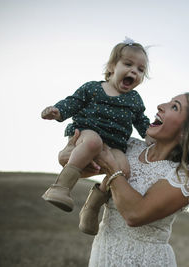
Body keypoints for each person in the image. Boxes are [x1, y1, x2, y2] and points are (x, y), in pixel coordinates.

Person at [59, 92, 189, 266]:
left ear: (186, 132)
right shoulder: (129, 146)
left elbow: (135, 214)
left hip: (145, 260)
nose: (161, 105)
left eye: (174, 106)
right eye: (168, 101)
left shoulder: (185, 176)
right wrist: (67, 152)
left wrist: (112, 169)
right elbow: (78, 167)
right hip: (103, 252)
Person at [41, 37, 151, 228]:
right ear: (111, 67)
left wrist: (151, 136)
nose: (134, 71)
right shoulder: (93, 88)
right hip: (86, 133)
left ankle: (91, 208)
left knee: (122, 170)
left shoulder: (134, 99)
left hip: (115, 144)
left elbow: (142, 122)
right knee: (94, 143)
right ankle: (60, 187)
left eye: (140, 70)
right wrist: (58, 111)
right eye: (128, 64)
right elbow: (73, 102)